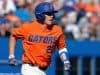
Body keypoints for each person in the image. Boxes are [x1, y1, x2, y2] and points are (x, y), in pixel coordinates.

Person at [8, 2, 70, 75]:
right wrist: (11, 56)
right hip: (29, 68)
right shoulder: (28, 27)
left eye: (53, 14)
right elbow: (13, 35)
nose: (52, 16)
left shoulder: (57, 30)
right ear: (40, 15)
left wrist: (66, 61)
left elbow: (62, 48)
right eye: (49, 14)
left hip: (44, 70)